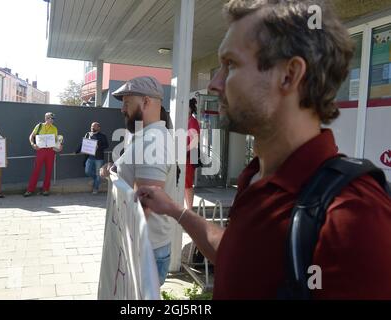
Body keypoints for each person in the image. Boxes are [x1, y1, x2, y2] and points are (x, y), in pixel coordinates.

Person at [137, 0, 391, 299]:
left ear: (289, 75)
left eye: (230, 64)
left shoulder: (352, 215)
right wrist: (176, 210)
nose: (216, 84)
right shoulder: (255, 176)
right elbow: (236, 255)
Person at [100, 76, 176, 286]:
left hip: (144, 250)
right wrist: (114, 172)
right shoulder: (144, 136)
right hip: (141, 246)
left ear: (146, 101)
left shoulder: (153, 141)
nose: (122, 109)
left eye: (127, 103)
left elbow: (144, 206)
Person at [24, 112, 62, 197]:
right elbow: (31, 136)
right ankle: (30, 190)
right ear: (45, 118)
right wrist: (32, 144)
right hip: (40, 150)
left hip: (50, 151)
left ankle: (46, 189)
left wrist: (59, 147)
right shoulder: (39, 126)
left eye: (52, 118)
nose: (50, 120)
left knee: (49, 171)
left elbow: (56, 141)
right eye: (49, 118)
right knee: (36, 170)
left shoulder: (55, 128)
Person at [76, 122, 109, 194]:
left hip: (99, 158)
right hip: (89, 157)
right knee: (87, 171)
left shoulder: (103, 136)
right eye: (91, 126)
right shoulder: (88, 134)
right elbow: (83, 143)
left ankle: (95, 188)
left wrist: (99, 147)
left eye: (94, 127)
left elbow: (106, 145)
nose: (92, 128)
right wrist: (76, 151)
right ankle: (96, 180)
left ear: (98, 128)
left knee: (98, 174)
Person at [185, 98, 201, 209]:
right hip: (185, 155)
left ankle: (189, 209)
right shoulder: (185, 120)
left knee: (187, 184)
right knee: (183, 183)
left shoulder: (192, 121)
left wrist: (184, 149)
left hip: (190, 155)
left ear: (190, 109)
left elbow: (195, 140)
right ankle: (187, 208)